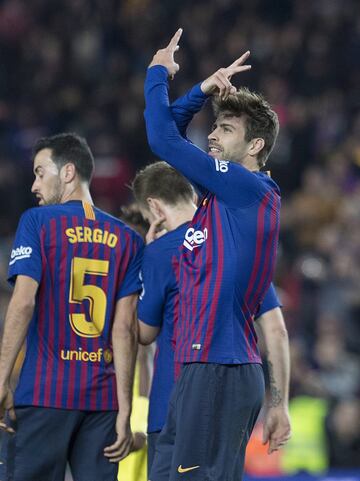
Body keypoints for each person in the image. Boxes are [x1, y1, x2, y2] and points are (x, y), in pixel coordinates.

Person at [143, 30, 291, 480]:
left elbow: (163, 139)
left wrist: (157, 74)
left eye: (226, 129)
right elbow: (170, 136)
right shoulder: (220, 203)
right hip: (203, 366)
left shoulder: (249, 187)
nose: (212, 134)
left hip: (219, 367)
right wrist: (204, 89)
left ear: (255, 147)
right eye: (215, 124)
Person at [0, 133, 143, 481]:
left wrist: (2, 378)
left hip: (45, 393)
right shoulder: (128, 238)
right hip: (102, 402)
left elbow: (22, 302)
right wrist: (124, 409)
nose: (34, 185)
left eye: (39, 172)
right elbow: (124, 329)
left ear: (67, 173)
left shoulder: (37, 223)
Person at [132, 161, 289, 478]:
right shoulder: (237, 248)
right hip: (235, 392)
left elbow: (143, 332)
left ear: (154, 207)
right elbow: (276, 330)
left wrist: (145, 263)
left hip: (174, 402)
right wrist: (279, 403)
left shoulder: (161, 252)